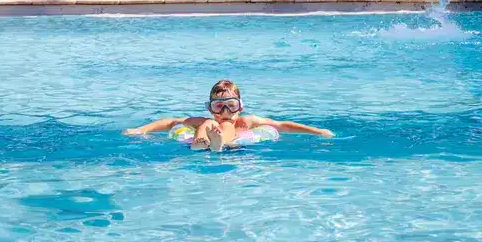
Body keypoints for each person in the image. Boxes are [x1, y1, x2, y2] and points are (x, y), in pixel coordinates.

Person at [123, 79, 332, 152]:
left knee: (219, 126)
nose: (225, 112)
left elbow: (283, 125)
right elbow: (170, 122)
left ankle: (216, 143)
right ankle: (207, 143)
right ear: (210, 107)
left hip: (235, 147)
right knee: (206, 124)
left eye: (230, 106)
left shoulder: (247, 121)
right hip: (203, 143)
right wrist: (140, 130)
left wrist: (317, 131)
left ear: (240, 106)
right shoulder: (206, 120)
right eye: (219, 106)